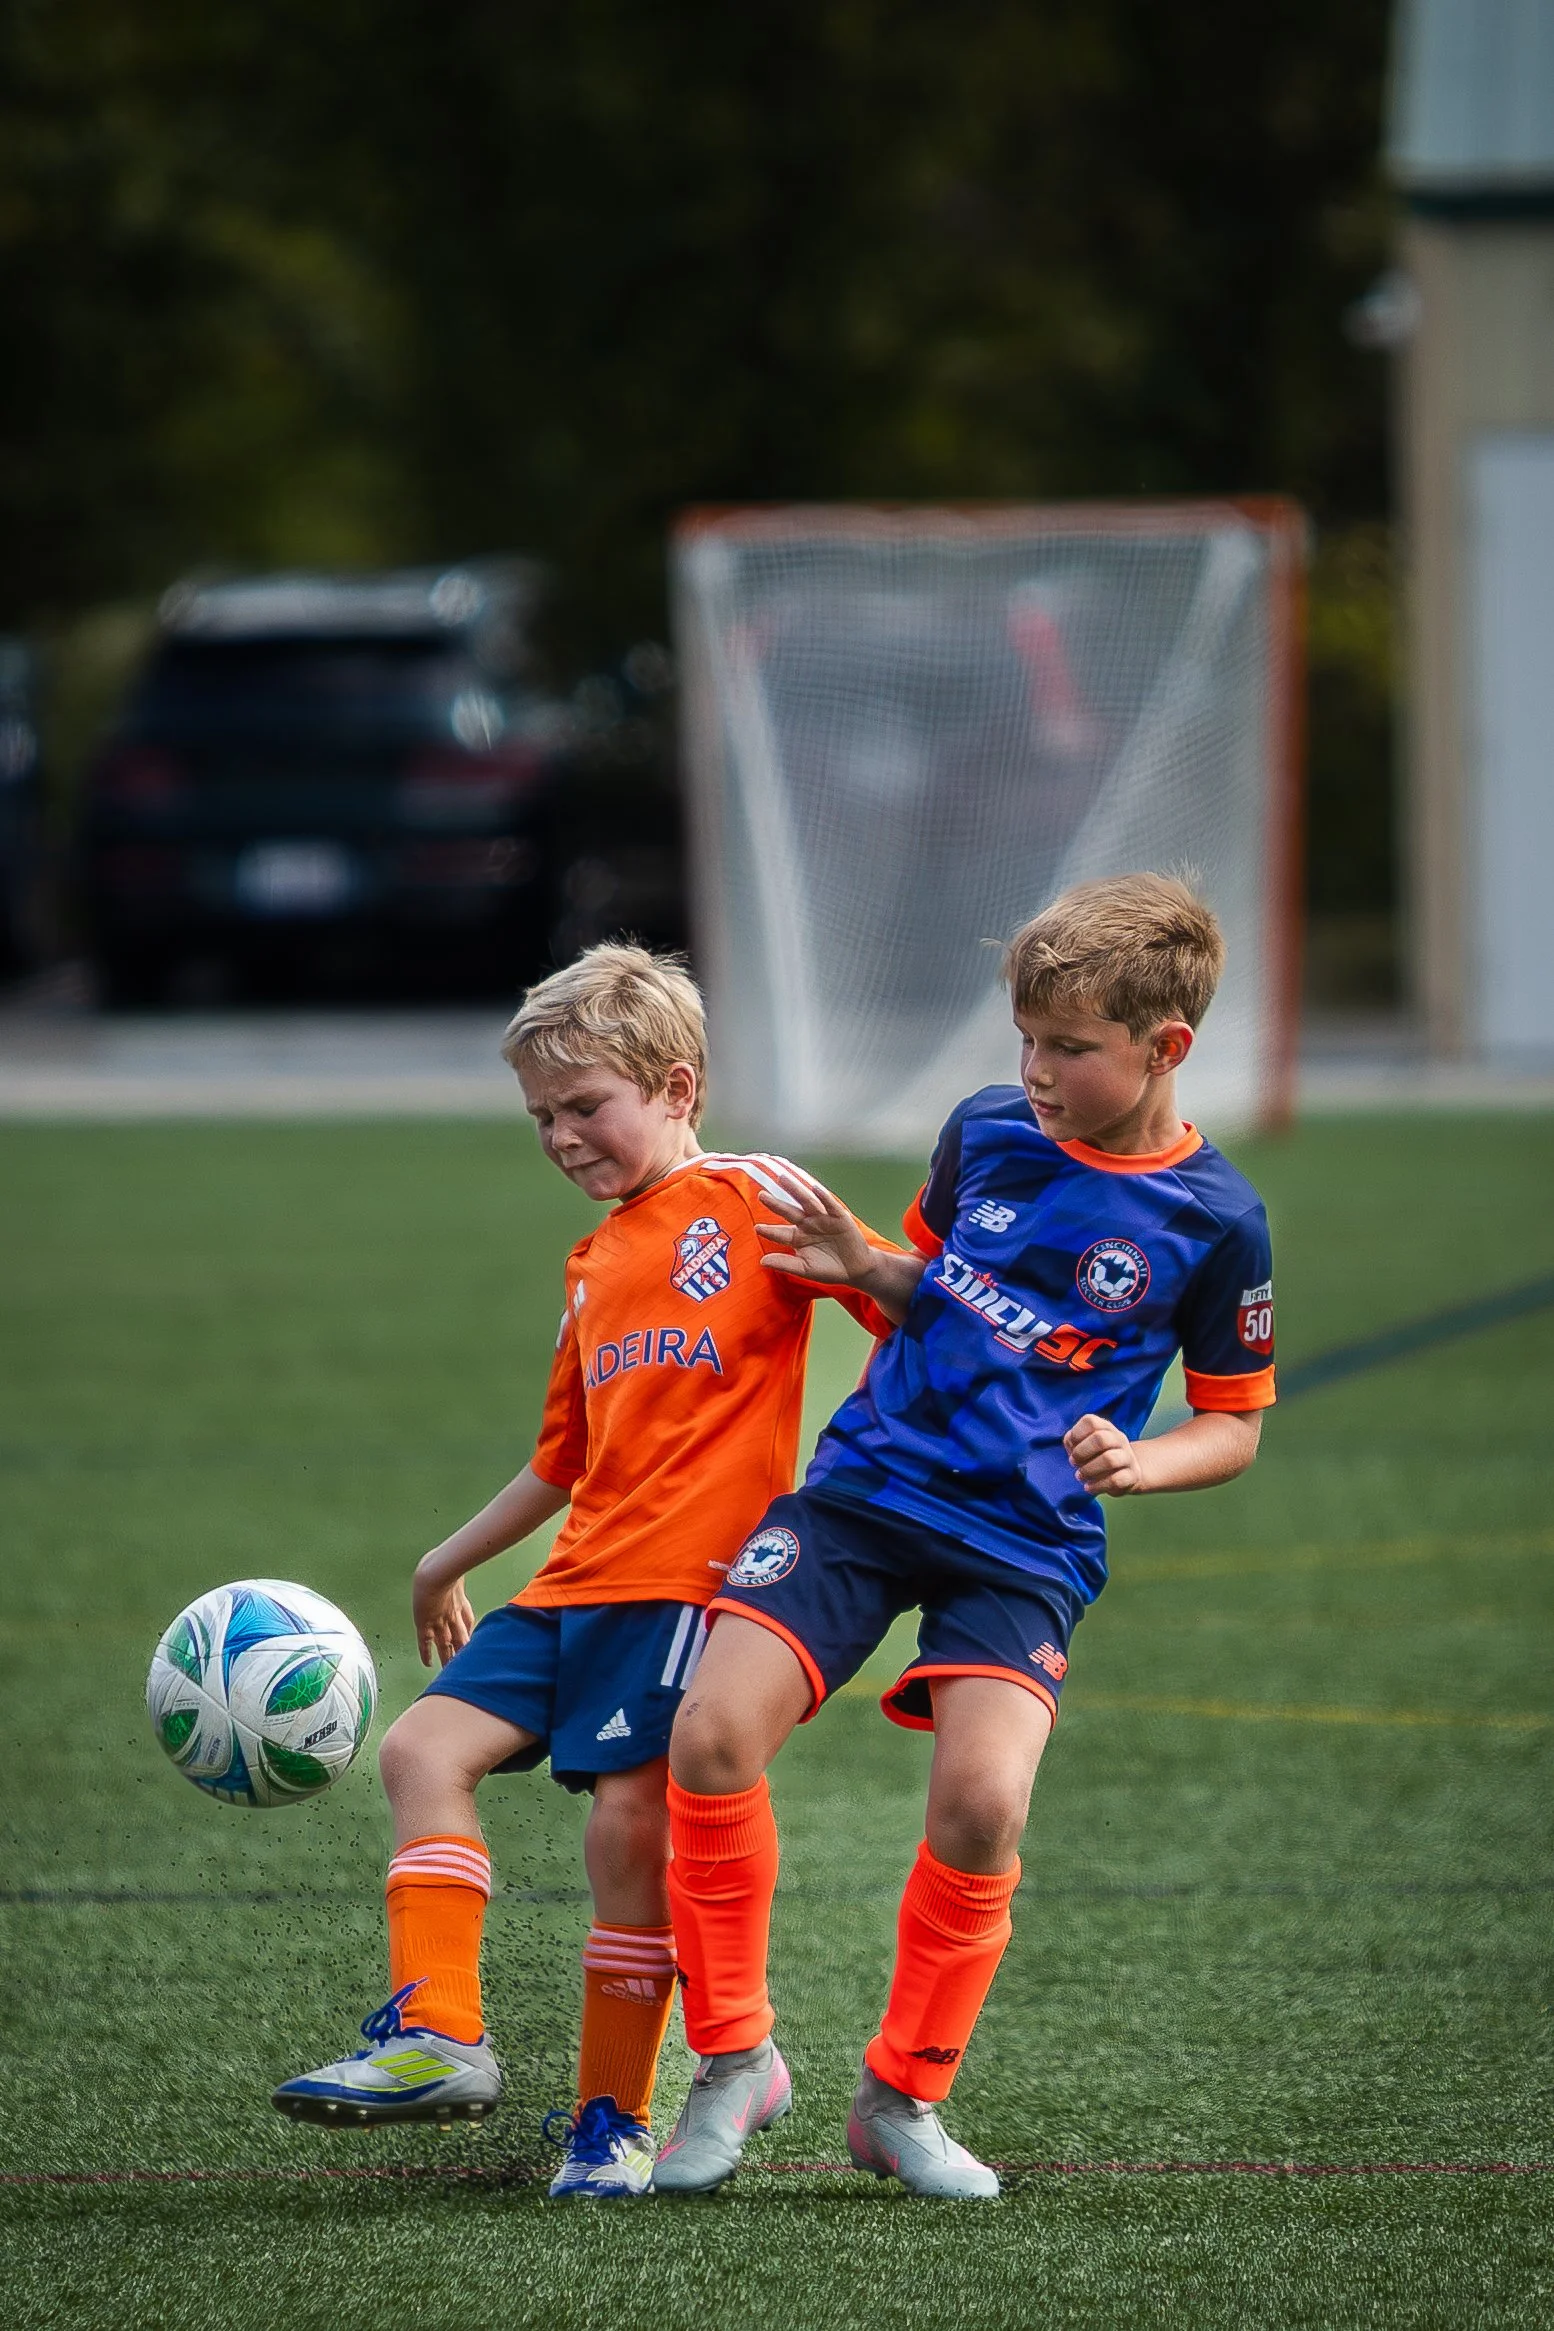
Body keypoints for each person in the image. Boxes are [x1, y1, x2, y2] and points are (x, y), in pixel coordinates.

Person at [653, 873, 1277, 2201]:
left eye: (1071, 1047)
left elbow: (1233, 1423)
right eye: (1026, 1039)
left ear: (1165, 1046)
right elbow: (929, 1293)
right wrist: (866, 1264)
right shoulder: (986, 1129)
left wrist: (1143, 1459)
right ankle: (732, 2060)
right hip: (867, 1489)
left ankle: (902, 2096)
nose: (1035, 1071)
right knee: (706, 1735)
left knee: (986, 1804)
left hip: (1025, 1540)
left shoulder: (1217, 1220)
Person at [271, 944, 894, 2199]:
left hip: (687, 1586)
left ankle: (613, 2119)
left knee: (627, 1828)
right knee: (419, 1752)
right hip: (573, 1583)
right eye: (540, 1116)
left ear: (676, 1086)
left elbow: (904, 1308)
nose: (560, 1136)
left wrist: (883, 1314)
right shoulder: (594, 1262)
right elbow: (565, 1457)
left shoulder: (757, 1198)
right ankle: (438, 2035)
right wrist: (445, 1560)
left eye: (583, 1105)